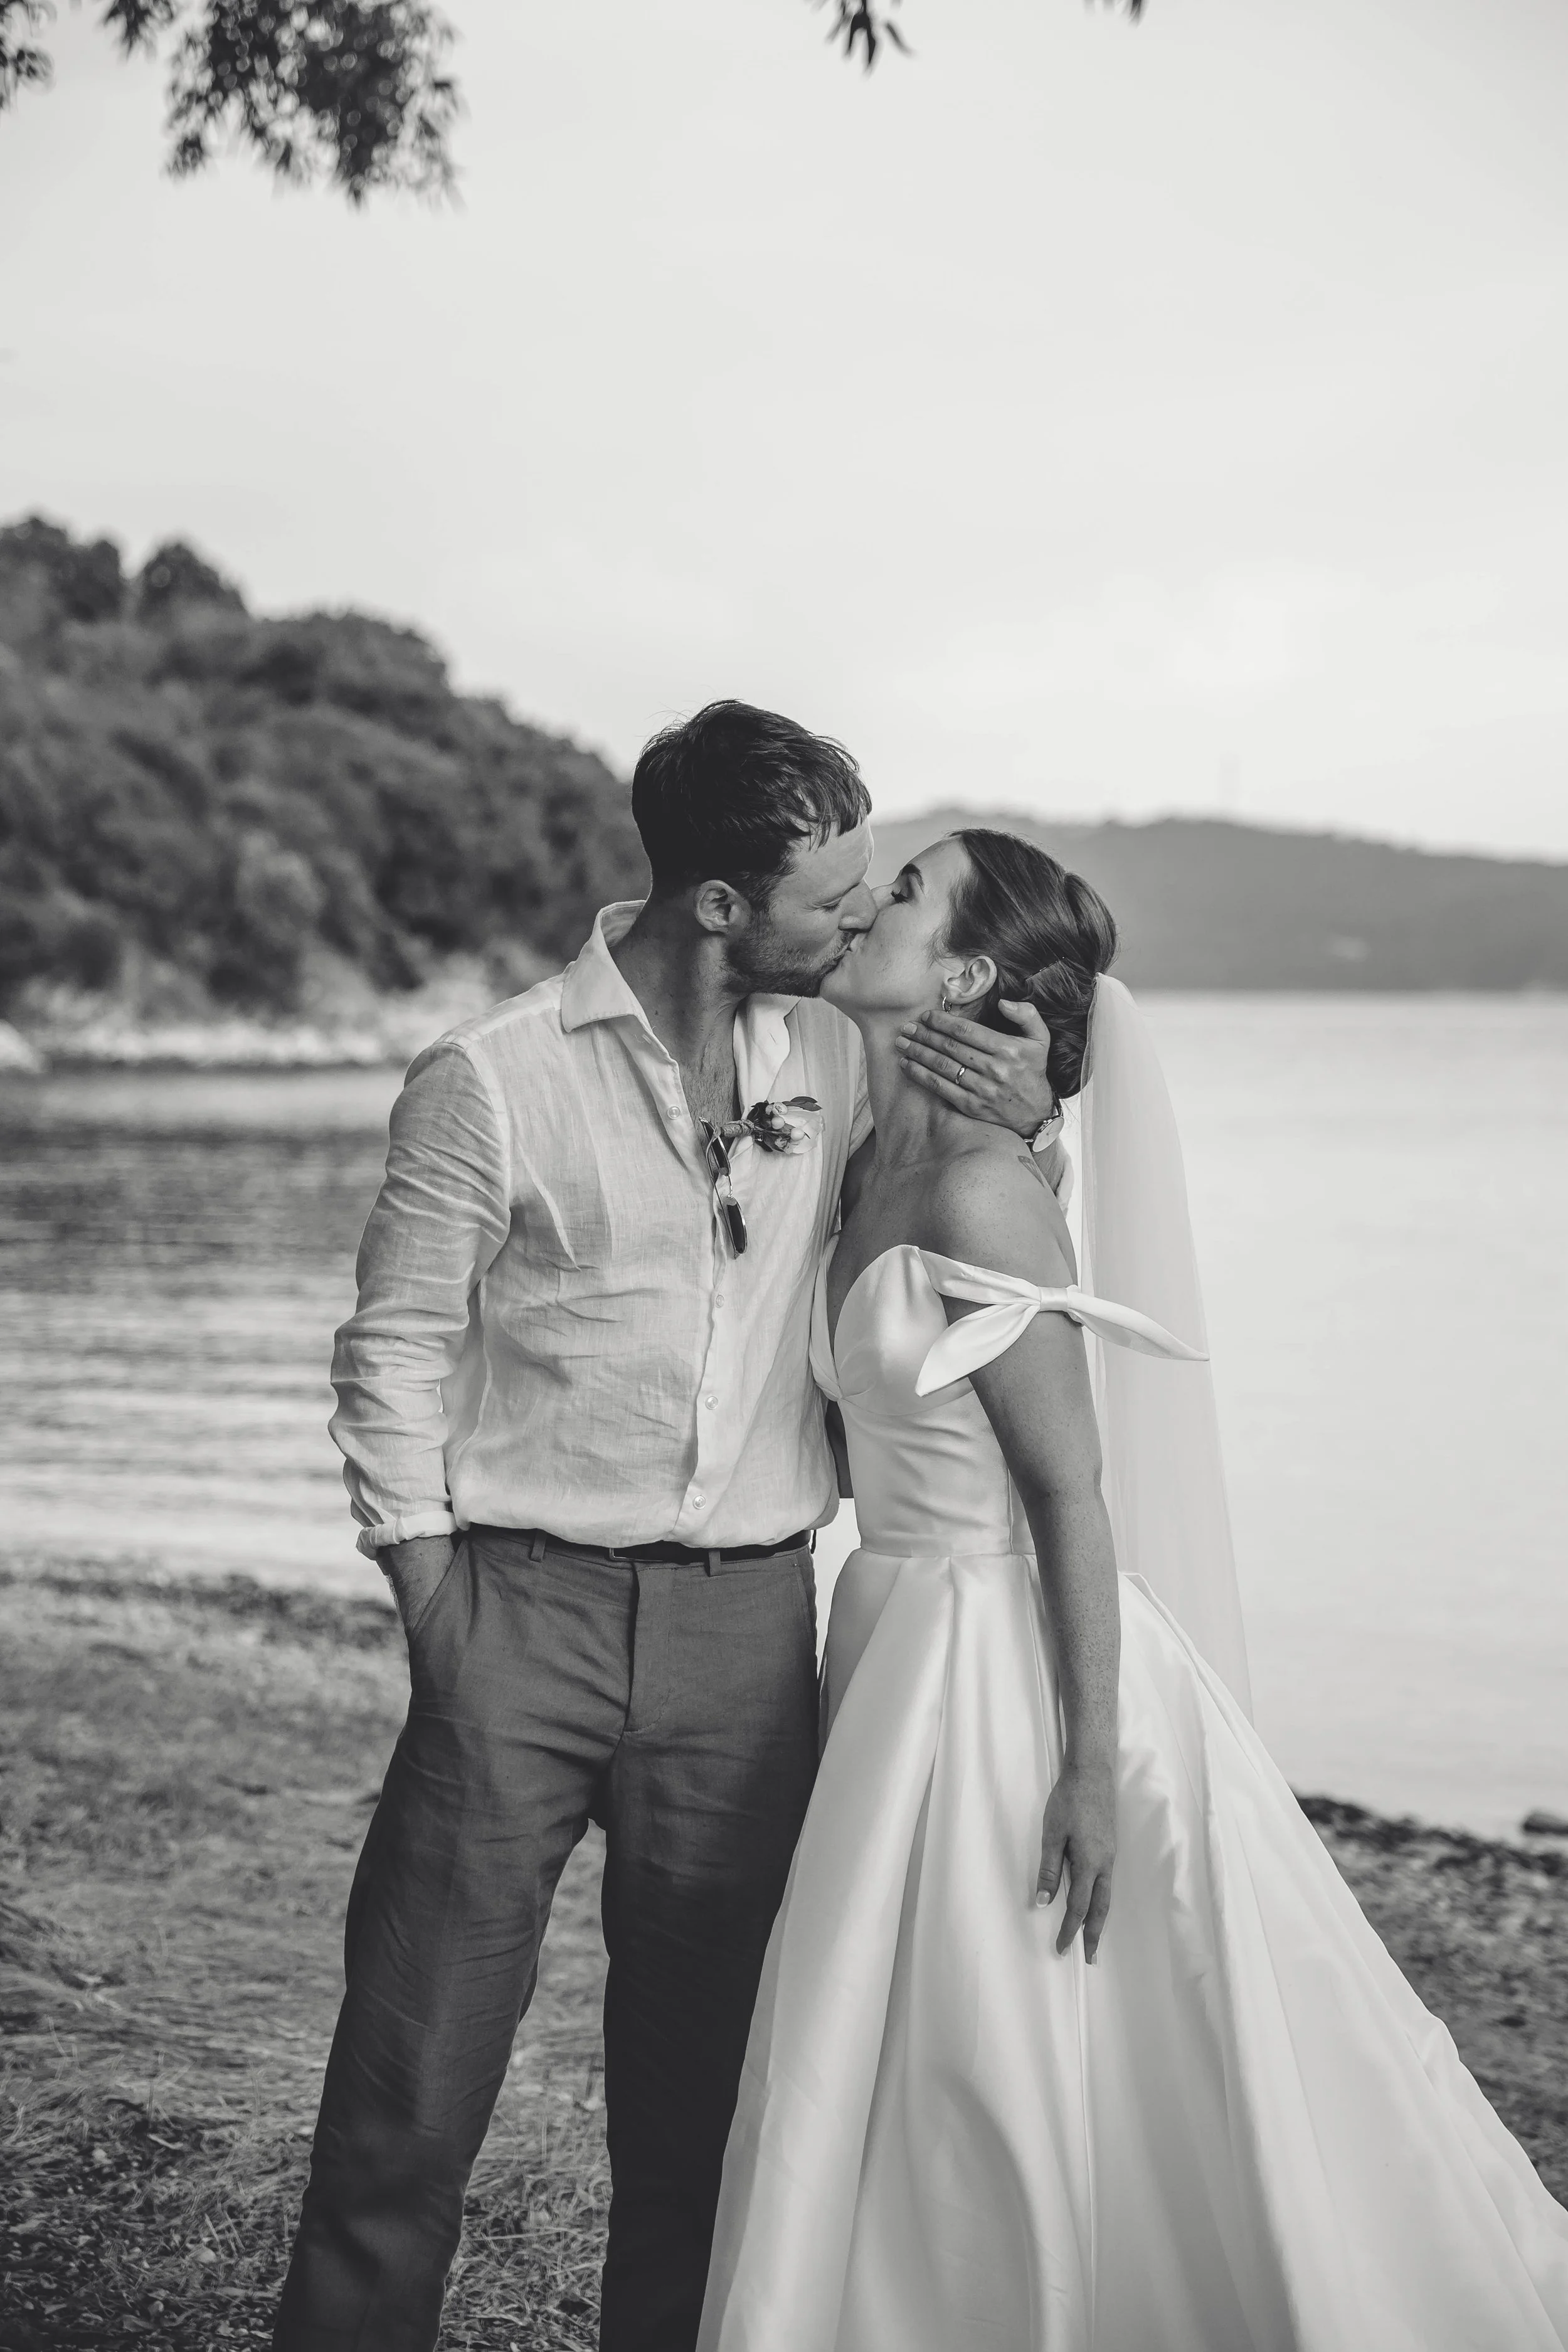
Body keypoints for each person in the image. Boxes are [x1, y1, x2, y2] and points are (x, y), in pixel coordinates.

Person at [698, 827, 1568, 2351]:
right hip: (888, 1633)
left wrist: (1089, 1765)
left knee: (998, 2031)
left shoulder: (980, 1195)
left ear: (961, 973)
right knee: (891, 2020)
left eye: (903, 893)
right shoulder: (860, 1153)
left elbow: (1067, 1491)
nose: (869, 903)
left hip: (994, 1666)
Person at [270, 709, 1060, 2352]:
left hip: (748, 1646)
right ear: (718, 905)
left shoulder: (837, 1053)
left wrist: (1036, 1104)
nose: (859, 919)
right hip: (515, 1620)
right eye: (831, 899)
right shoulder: (491, 1076)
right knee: (407, 2090)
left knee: (705, 2114)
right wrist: (434, 1602)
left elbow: (971, 1180)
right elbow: (392, 1350)